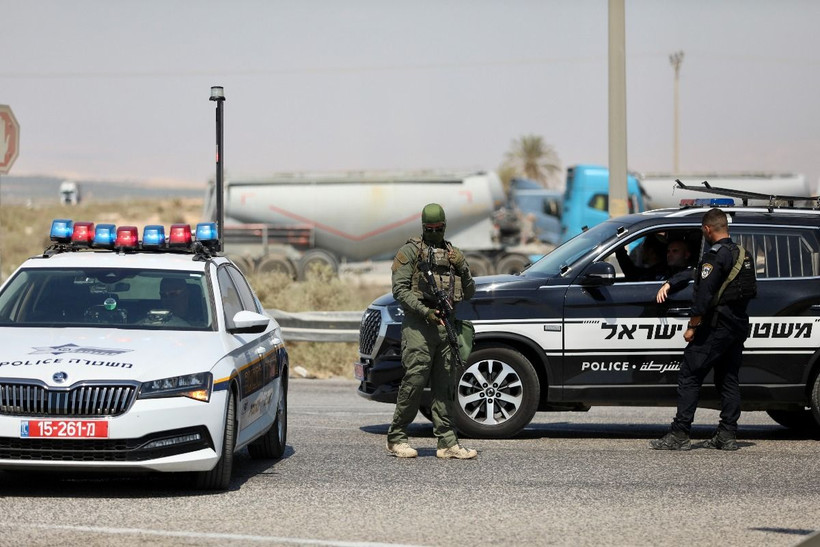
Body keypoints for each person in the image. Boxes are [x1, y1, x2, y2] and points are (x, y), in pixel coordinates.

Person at [650, 208, 754, 451]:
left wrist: (692, 327)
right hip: (737, 326)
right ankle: (727, 434)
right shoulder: (742, 254)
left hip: (715, 326)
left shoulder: (713, 257)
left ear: (708, 229)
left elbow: (703, 298)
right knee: (728, 379)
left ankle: (680, 433)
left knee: (689, 375)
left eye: (703, 230)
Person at [386, 203, 478, 459]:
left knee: (445, 385)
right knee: (414, 381)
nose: (435, 232)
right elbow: (400, 290)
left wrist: (462, 267)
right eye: (430, 228)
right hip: (419, 326)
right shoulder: (410, 252)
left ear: (445, 226)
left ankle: (447, 442)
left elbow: (469, 292)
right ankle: (397, 437)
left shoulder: (453, 254)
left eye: (439, 228)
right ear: (423, 227)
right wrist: (425, 311)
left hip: (446, 325)